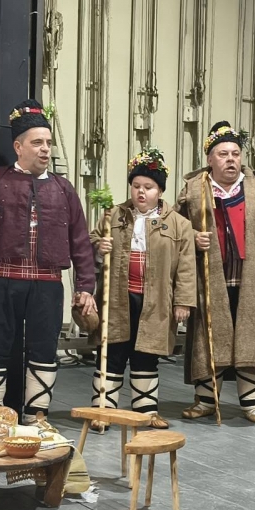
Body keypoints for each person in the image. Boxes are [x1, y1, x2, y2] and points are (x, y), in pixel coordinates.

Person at [0, 99, 96, 422]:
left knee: (44, 349)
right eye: (37, 143)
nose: (45, 150)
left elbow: (81, 241)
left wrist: (86, 287)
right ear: (18, 146)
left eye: (48, 143)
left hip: (47, 284)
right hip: (1, 281)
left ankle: (36, 417)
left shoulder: (64, 189)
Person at [177, 121, 255, 423]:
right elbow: (174, 230)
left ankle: (252, 404)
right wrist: (192, 237)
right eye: (223, 154)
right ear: (210, 159)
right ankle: (206, 400)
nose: (231, 159)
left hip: (248, 280)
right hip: (209, 280)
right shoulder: (194, 190)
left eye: (235, 154)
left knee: (249, 337)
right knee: (209, 337)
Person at [88, 148, 196, 430]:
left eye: (148, 187)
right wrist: (99, 246)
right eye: (136, 186)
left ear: (160, 191)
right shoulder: (113, 216)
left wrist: (183, 301)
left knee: (146, 353)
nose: (141, 192)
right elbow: (90, 245)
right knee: (112, 351)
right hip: (118, 299)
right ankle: (102, 411)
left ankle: (146, 412)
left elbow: (186, 266)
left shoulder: (179, 224)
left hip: (155, 301)